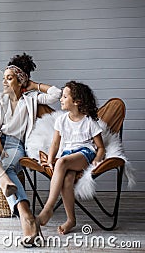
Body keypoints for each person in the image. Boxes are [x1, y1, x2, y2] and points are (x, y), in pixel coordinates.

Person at [0, 53, 61, 245]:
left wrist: (34, 85)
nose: (4, 81)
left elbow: (57, 94)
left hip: (15, 145)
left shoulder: (31, 99)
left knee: (8, 167)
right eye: (4, 77)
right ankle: (3, 178)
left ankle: (26, 216)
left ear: (21, 81)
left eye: (10, 77)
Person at [37, 81, 106, 235]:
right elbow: (55, 143)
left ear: (76, 101)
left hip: (85, 153)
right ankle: (71, 220)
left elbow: (100, 147)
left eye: (64, 96)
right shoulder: (61, 120)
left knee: (62, 162)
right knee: (67, 181)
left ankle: (48, 208)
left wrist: (97, 159)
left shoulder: (89, 122)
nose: (60, 99)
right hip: (68, 155)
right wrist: (49, 160)